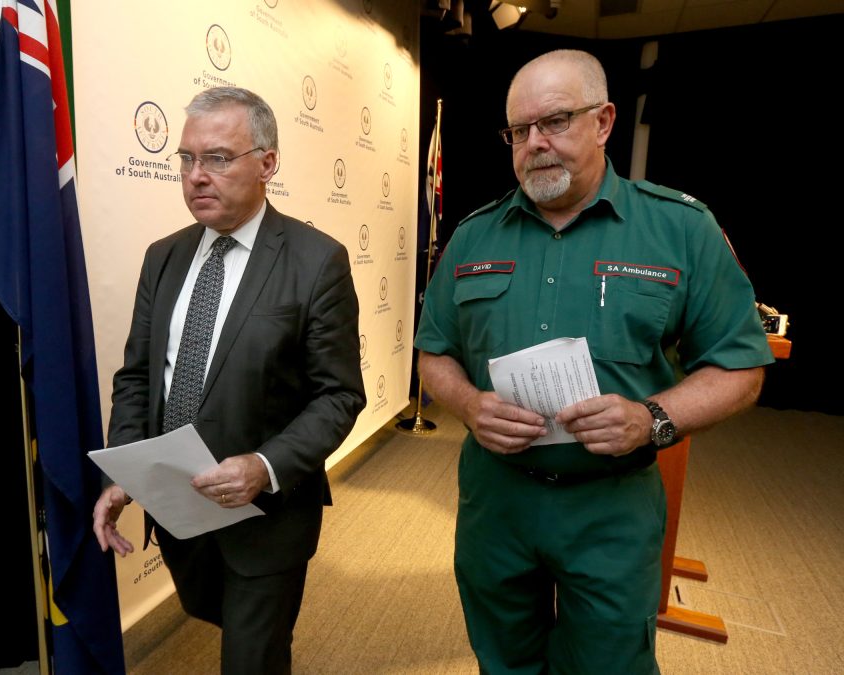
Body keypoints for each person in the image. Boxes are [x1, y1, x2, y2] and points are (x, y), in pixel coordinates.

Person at [415, 50, 773, 673]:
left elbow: (740, 368)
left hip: (611, 508)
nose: (535, 144)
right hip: (497, 504)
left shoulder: (679, 229)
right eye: (519, 131)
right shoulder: (475, 235)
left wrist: (651, 418)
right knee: (503, 658)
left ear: (605, 122)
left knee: (612, 663)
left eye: (554, 122)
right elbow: (433, 353)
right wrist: (470, 405)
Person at [92, 87, 365, 674]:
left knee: (252, 660)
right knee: (217, 622)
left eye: (218, 158)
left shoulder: (317, 261)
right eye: (187, 159)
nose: (196, 176)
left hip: (267, 521)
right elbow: (138, 376)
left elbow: (339, 395)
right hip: (181, 517)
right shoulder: (162, 257)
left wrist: (263, 467)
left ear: (267, 163)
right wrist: (126, 470)